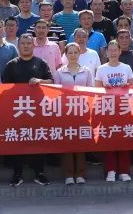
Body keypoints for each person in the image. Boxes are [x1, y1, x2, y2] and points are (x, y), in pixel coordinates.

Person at [1, 34, 53, 186]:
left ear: (33, 45)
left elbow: (51, 81)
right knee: (18, 142)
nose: (26, 46)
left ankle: (39, 173)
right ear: (18, 46)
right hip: (17, 110)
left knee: (38, 141)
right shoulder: (12, 64)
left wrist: (40, 81)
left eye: (29, 43)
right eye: (23, 43)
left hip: (37, 110)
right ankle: (17, 174)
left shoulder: (41, 63)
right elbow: (4, 87)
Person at [54, 42, 94, 185]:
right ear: (65, 54)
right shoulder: (60, 72)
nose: (72, 55)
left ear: (79, 54)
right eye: (69, 53)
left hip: (83, 111)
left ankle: (80, 173)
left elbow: (91, 91)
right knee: (68, 143)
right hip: (66, 112)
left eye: (75, 52)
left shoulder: (86, 71)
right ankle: (69, 174)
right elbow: (56, 92)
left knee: (81, 142)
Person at [95, 40, 133, 182]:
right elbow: (97, 90)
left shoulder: (126, 67)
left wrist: (126, 86)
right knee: (109, 140)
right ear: (106, 52)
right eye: (110, 50)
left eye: (115, 50)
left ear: (119, 51)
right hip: (107, 108)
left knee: (124, 140)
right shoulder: (101, 69)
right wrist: (105, 89)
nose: (112, 52)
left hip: (123, 108)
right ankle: (111, 170)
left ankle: (124, 171)